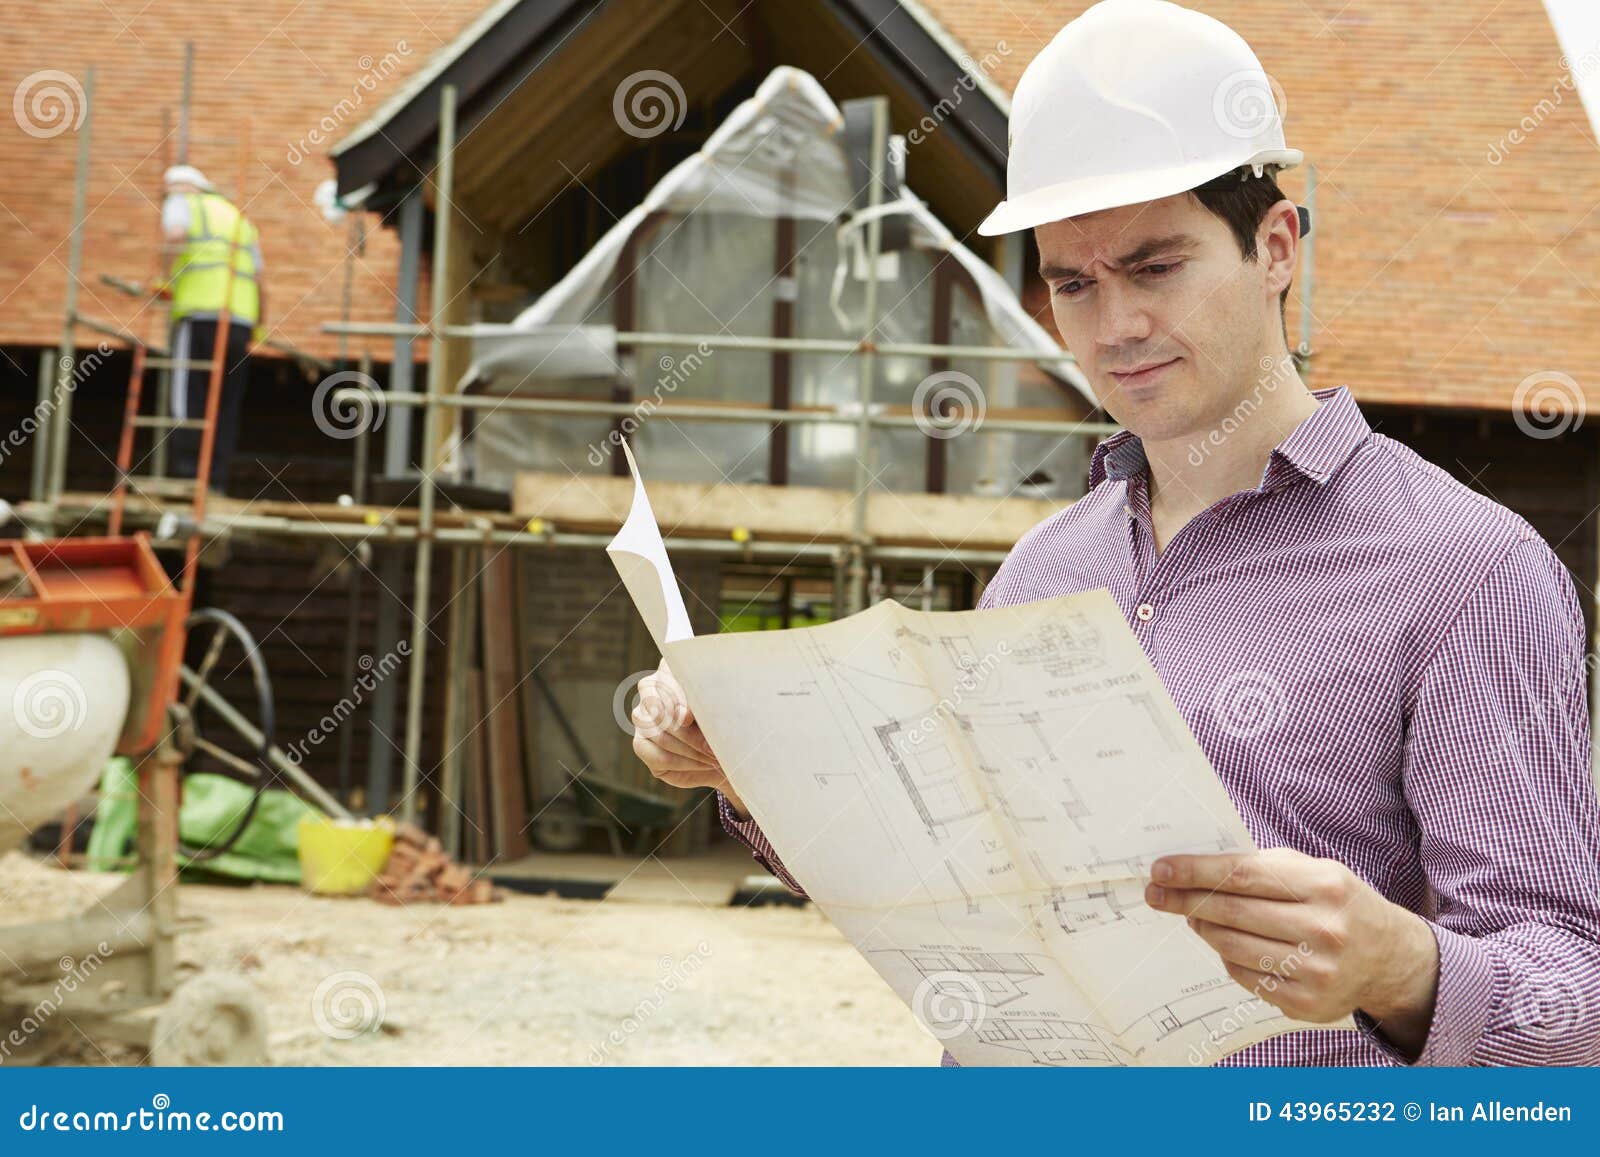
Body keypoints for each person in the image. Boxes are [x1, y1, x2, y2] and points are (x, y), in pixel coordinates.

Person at [631, 0, 1600, 1065]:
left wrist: (1403, 968)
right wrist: (746, 769)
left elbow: (1573, 1003)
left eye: (1155, 266)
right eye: (1073, 283)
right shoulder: (1044, 566)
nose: (1115, 325)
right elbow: (940, 894)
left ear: (1274, 245)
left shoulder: (1467, 572)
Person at [157, 164, 265, 497]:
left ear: (180, 185)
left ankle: (189, 477)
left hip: (199, 314)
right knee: (225, 402)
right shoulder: (239, 219)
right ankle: (215, 479)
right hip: (240, 321)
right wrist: (258, 324)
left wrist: (164, 279)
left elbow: (174, 236)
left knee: (189, 396)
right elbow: (260, 278)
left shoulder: (182, 202)